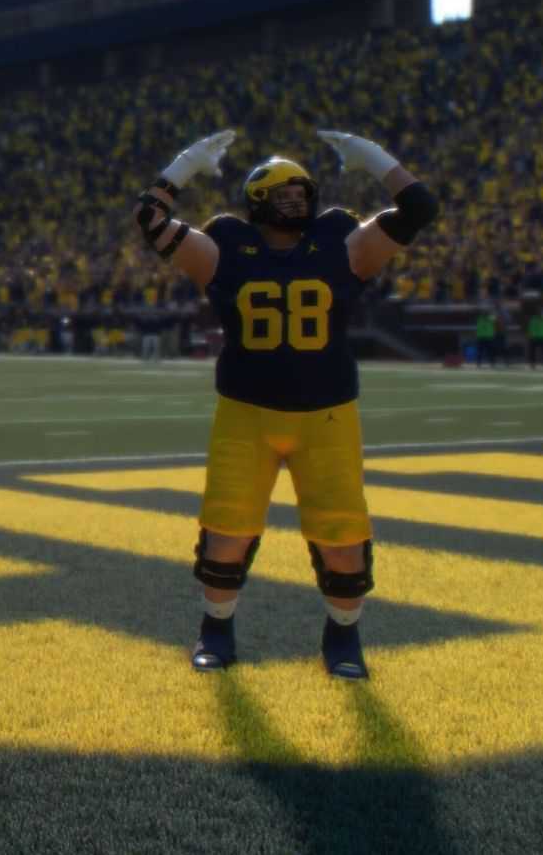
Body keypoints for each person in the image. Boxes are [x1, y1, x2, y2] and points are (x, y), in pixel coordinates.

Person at [132, 128, 437, 680]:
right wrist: (183, 166)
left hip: (327, 415)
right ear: (254, 200)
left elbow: (418, 205)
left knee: (343, 538)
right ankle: (215, 630)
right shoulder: (224, 249)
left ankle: (343, 639)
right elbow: (150, 219)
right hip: (245, 415)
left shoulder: (342, 244)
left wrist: (369, 156)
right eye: (281, 188)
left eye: (301, 186)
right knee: (226, 534)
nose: (295, 194)